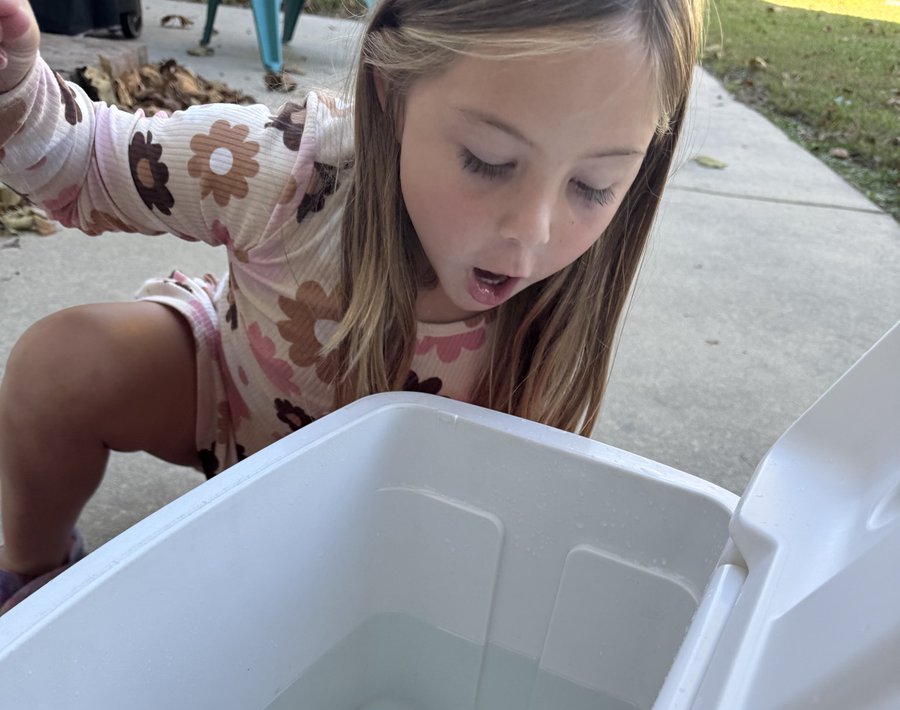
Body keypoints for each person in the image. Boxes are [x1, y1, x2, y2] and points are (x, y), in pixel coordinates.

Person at [0, 0, 705, 613]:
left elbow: (513, 521)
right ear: (391, 91)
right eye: (489, 159)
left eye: (595, 185)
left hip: (403, 518)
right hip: (227, 411)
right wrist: (15, 87)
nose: (535, 229)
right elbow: (86, 161)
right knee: (63, 364)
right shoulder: (281, 168)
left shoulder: (571, 287)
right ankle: (34, 579)